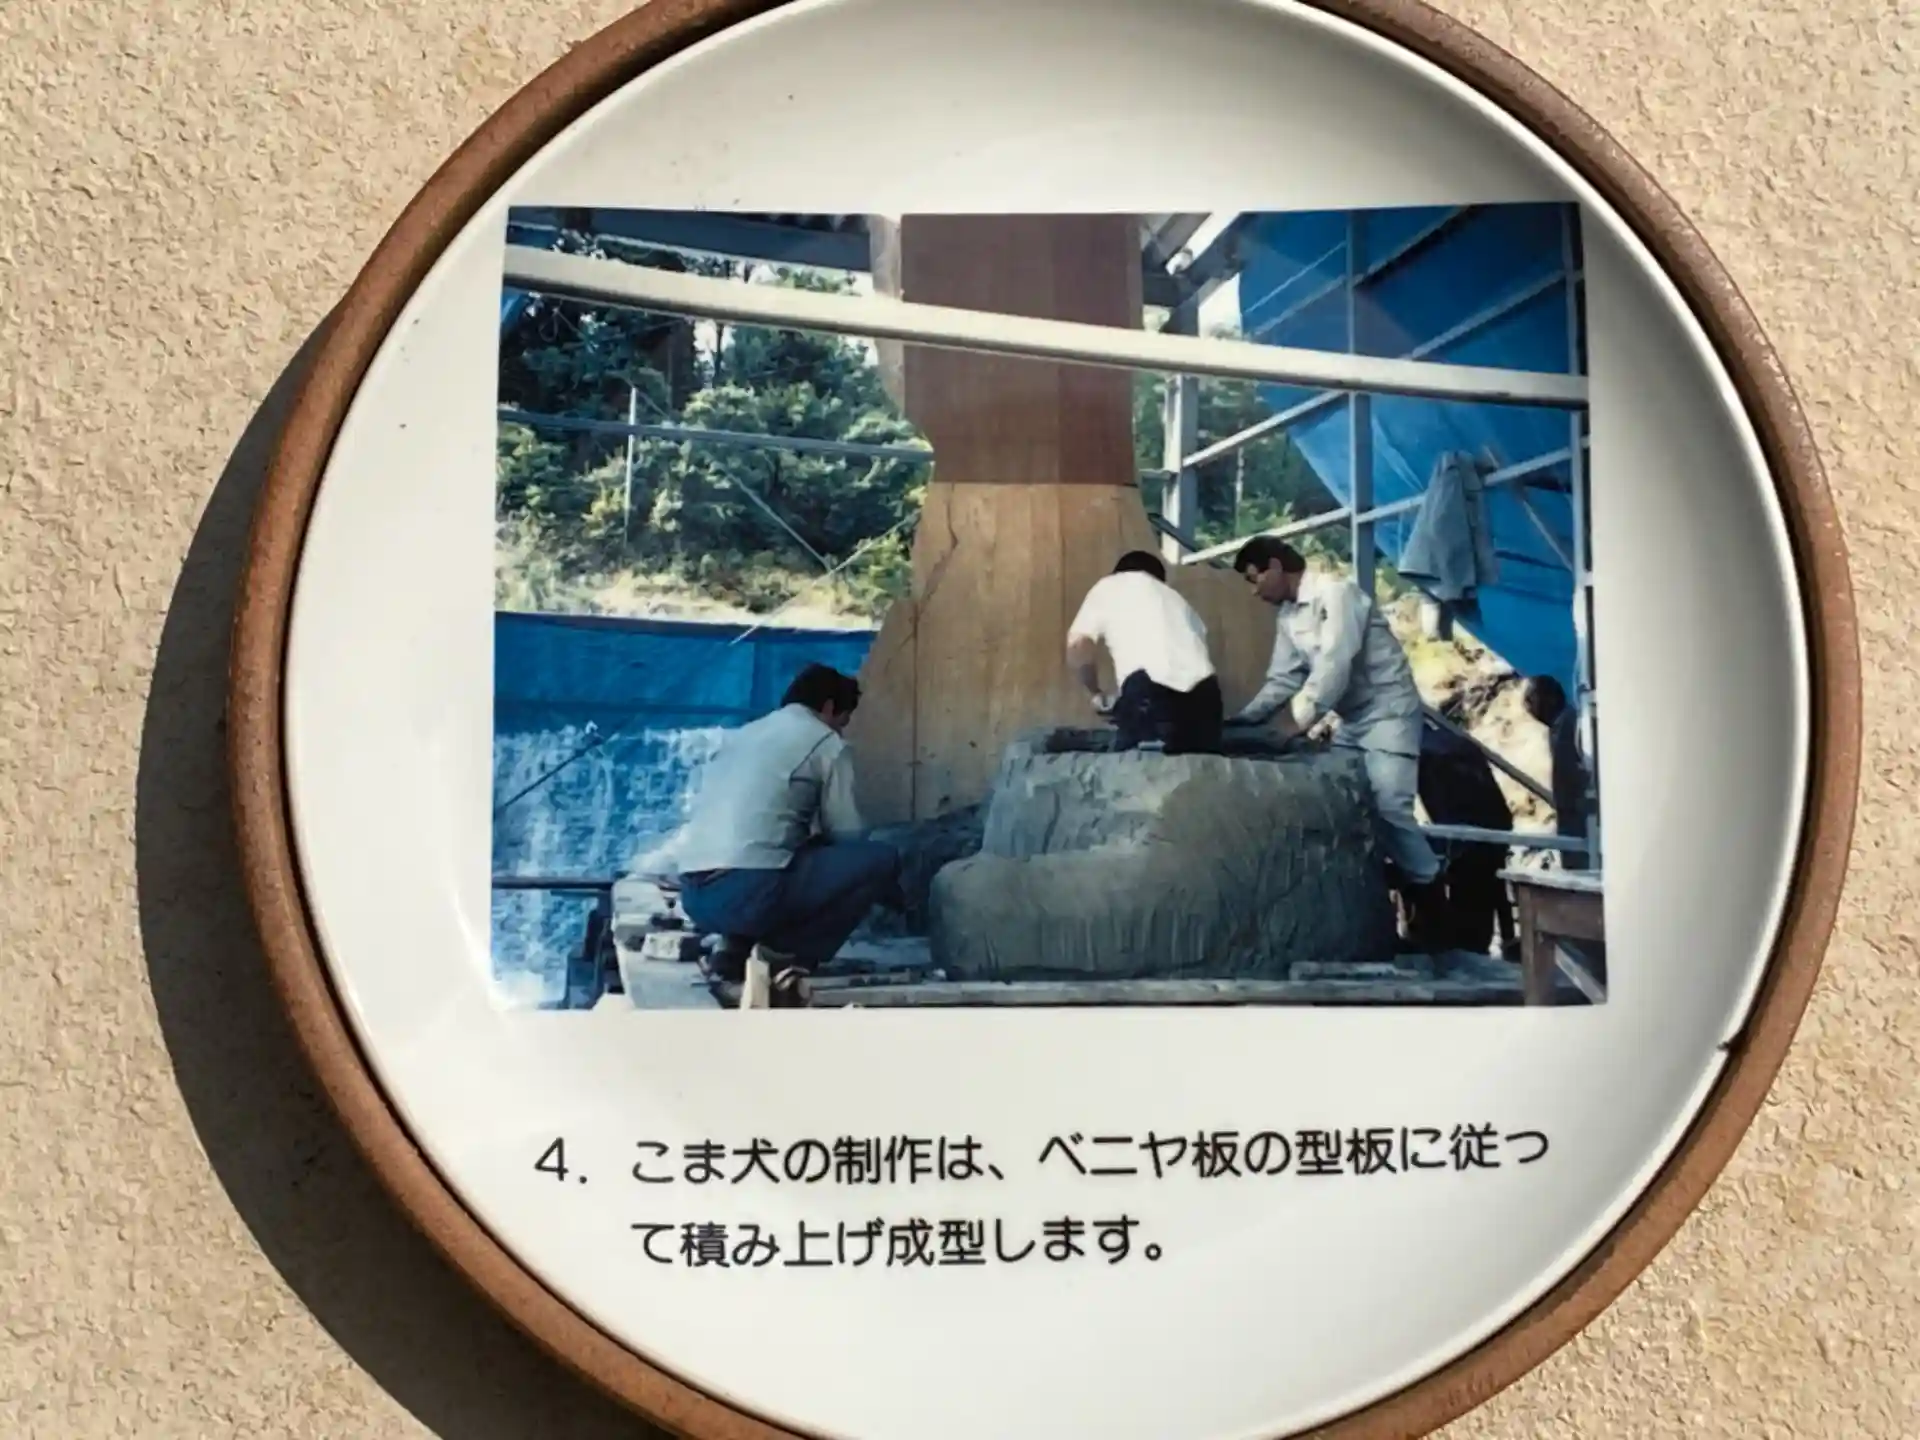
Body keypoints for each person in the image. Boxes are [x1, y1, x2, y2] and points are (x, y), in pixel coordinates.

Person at [1224, 536, 1445, 932]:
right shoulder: (1288, 617)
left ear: (1276, 566)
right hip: (1352, 720)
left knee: (1390, 809)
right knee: (1345, 798)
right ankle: (1379, 899)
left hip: (1388, 713)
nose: (1254, 591)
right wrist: (1242, 720)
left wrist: (1297, 723)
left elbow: (1335, 664)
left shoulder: (1338, 594)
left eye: (1255, 579)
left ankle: (1431, 896)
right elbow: (1282, 678)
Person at [672, 664, 901, 996]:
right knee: (879, 860)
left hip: (694, 896)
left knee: (777, 856)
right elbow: (847, 834)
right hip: (747, 895)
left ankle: (733, 949)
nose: (842, 730)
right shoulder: (824, 740)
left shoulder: (744, 734)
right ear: (828, 707)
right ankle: (784, 955)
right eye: (843, 720)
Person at [1066, 550, 1224, 755]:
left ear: (1119, 573)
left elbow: (1079, 645)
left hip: (1150, 694)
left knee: (1136, 767)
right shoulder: (1181, 603)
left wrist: (1095, 693)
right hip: (1207, 700)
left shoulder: (1110, 585)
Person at [1416, 717, 1519, 957]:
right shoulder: (1455, 741)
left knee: (1470, 910)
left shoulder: (1420, 753)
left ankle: (1474, 951)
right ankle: (1507, 940)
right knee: (1493, 884)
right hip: (1495, 823)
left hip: (1463, 838)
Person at [1522, 674, 1593, 870]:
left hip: (1580, 818)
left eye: (1532, 699)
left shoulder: (1569, 724)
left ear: (1550, 698)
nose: (1528, 707)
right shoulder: (1558, 727)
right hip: (1571, 817)